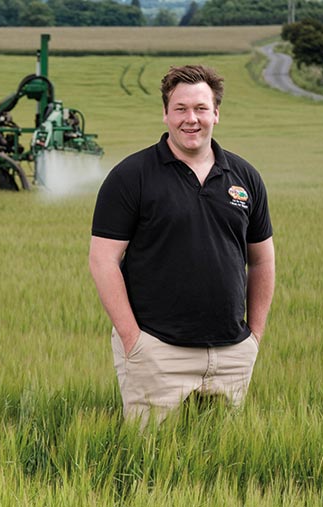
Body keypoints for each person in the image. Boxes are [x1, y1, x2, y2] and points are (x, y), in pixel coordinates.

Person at [89, 65, 275, 425]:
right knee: (149, 465)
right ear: (165, 114)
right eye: (181, 109)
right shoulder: (132, 176)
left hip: (231, 353)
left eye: (201, 109)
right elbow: (102, 260)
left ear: (216, 114)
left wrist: (254, 337)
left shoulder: (245, 177)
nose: (191, 119)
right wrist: (134, 341)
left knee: (222, 464)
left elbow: (263, 261)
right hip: (157, 351)